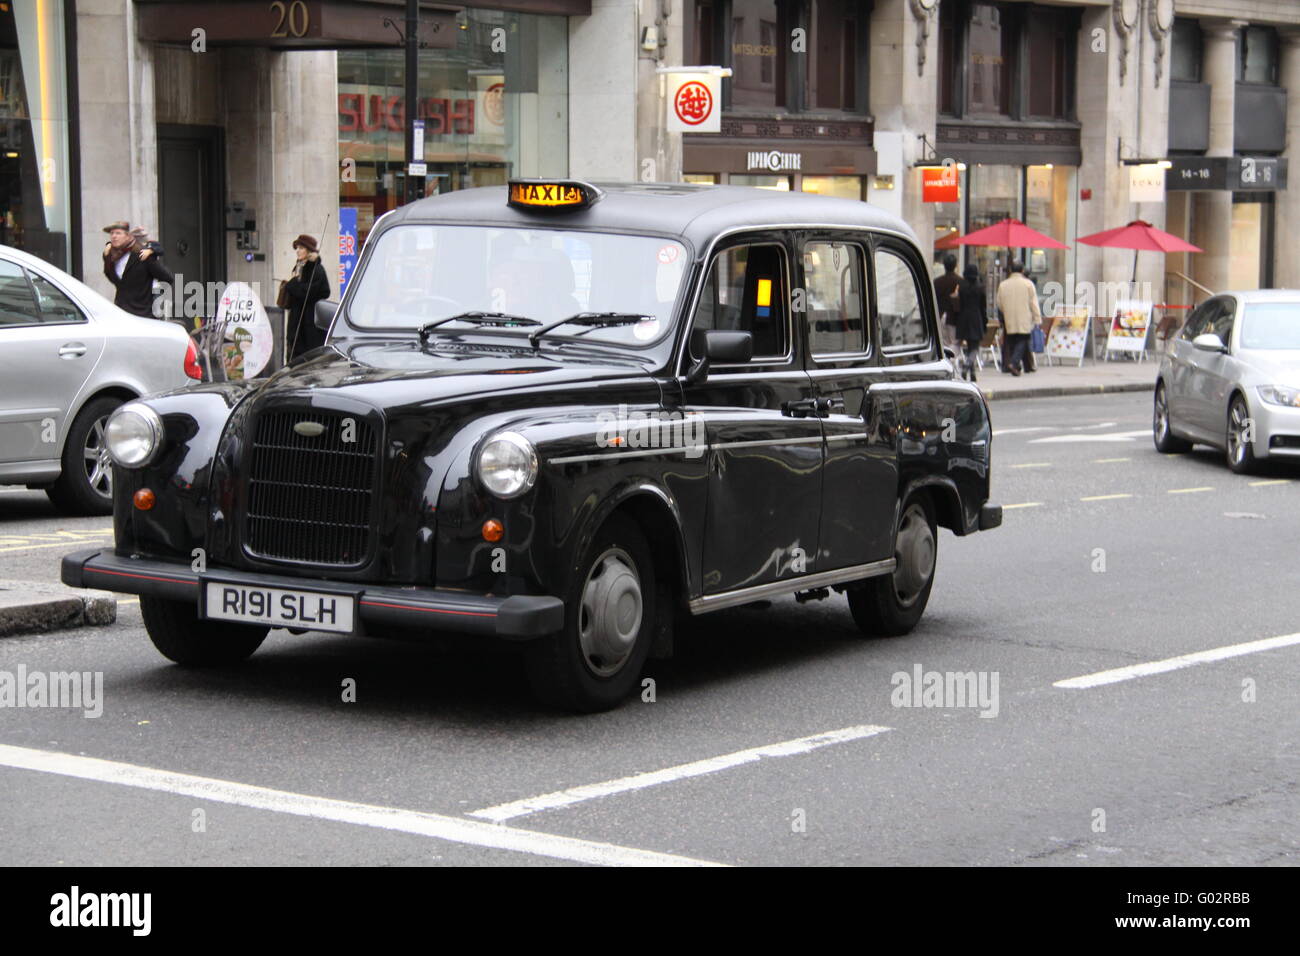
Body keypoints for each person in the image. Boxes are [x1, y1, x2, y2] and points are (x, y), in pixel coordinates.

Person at [102, 220, 173, 318]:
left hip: (143, 314)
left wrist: (152, 291)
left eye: (118, 233)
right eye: (112, 233)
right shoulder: (110, 255)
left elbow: (167, 277)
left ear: (127, 236)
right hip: (121, 314)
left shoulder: (143, 254)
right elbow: (110, 276)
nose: (114, 236)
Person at [282, 234, 330, 359]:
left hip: (310, 326)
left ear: (309, 251)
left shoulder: (317, 270)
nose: (297, 251)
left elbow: (308, 292)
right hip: (296, 323)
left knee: (308, 363)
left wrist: (291, 285)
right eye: (297, 248)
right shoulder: (299, 267)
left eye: (301, 248)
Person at [995, 259, 1042, 377]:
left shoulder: (1003, 285)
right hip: (1024, 318)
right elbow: (1033, 303)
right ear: (1022, 270)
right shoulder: (1028, 284)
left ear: (1011, 270)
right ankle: (1014, 363)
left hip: (1009, 318)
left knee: (1012, 341)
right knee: (1023, 339)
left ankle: (1017, 365)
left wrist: (1006, 311)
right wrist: (1037, 319)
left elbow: (999, 303)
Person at [955, 263, 986, 382]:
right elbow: (983, 307)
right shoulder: (980, 288)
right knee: (974, 347)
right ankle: (967, 365)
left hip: (963, 318)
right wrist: (984, 322)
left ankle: (972, 373)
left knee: (969, 346)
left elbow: (959, 303)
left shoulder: (961, 287)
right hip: (976, 318)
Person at [933, 253, 961, 349]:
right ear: (955, 265)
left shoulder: (937, 282)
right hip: (954, 317)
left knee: (942, 344)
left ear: (944, 266)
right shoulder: (960, 281)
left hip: (939, 316)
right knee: (954, 343)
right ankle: (953, 362)